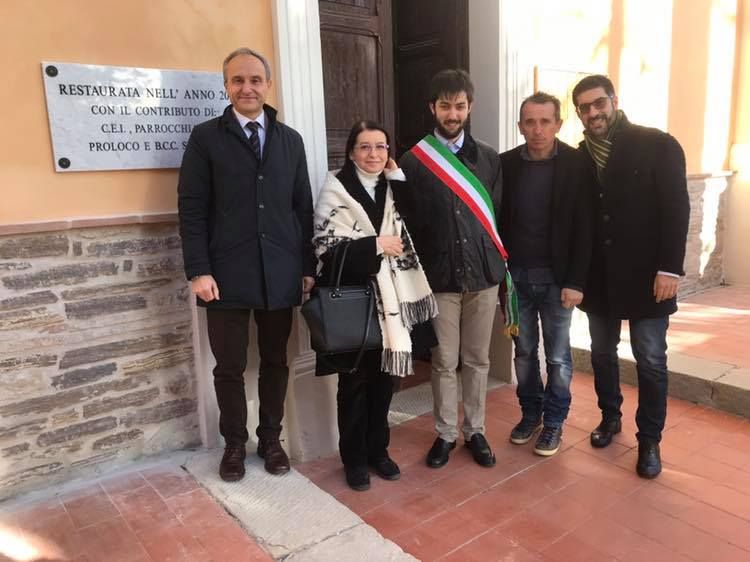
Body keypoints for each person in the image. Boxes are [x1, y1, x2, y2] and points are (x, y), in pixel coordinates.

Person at [178, 47, 315, 481]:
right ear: (226, 86)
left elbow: (302, 208)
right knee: (229, 367)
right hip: (224, 275)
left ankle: (271, 439)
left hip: (280, 271)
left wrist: (307, 266)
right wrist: (198, 270)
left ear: (268, 85)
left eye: (255, 79)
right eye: (237, 80)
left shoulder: (290, 141)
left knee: (275, 361)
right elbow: (192, 208)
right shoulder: (206, 138)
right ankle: (235, 444)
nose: (247, 88)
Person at [572, 74, 689, 478]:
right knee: (602, 354)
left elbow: (677, 208)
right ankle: (610, 417)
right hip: (600, 278)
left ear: (614, 101)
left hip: (649, 277)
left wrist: (670, 268)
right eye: (584, 108)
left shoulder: (657, 144)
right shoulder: (580, 156)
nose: (593, 112)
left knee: (651, 358)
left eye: (598, 103)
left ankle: (650, 439)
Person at [312, 121, 437, 491]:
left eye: (381, 147)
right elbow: (325, 249)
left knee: (385, 382)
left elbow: (421, 224)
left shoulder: (392, 186)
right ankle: (353, 460)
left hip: (393, 303)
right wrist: (376, 245)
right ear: (351, 152)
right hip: (354, 302)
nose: (373, 154)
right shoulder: (335, 189)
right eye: (365, 147)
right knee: (354, 384)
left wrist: (398, 178)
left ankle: (378, 451)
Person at [399, 69, 505, 469]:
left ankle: (475, 430)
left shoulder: (489, 158)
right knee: (443, 361)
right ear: (433, 108)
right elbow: (407, 222)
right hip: (439, 279)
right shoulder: (414, 160)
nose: (453, 113)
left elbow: (496, 215)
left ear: (469, 107)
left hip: (483, 276)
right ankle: (445, 433)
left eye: (460, 105)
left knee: (477, 359)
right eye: (445, 105)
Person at [499, 92, 591, 456]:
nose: (537, 130)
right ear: (520, 126)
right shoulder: (506, 164)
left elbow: (584, 228)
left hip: (558, 281)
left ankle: (554, 422)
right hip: (516, 280)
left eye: (545, 122)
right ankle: (530, 414)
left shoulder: (576, 164)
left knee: (557, 357)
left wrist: (576, 282)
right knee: (523, 353)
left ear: (558, 124)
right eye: (530, 122)